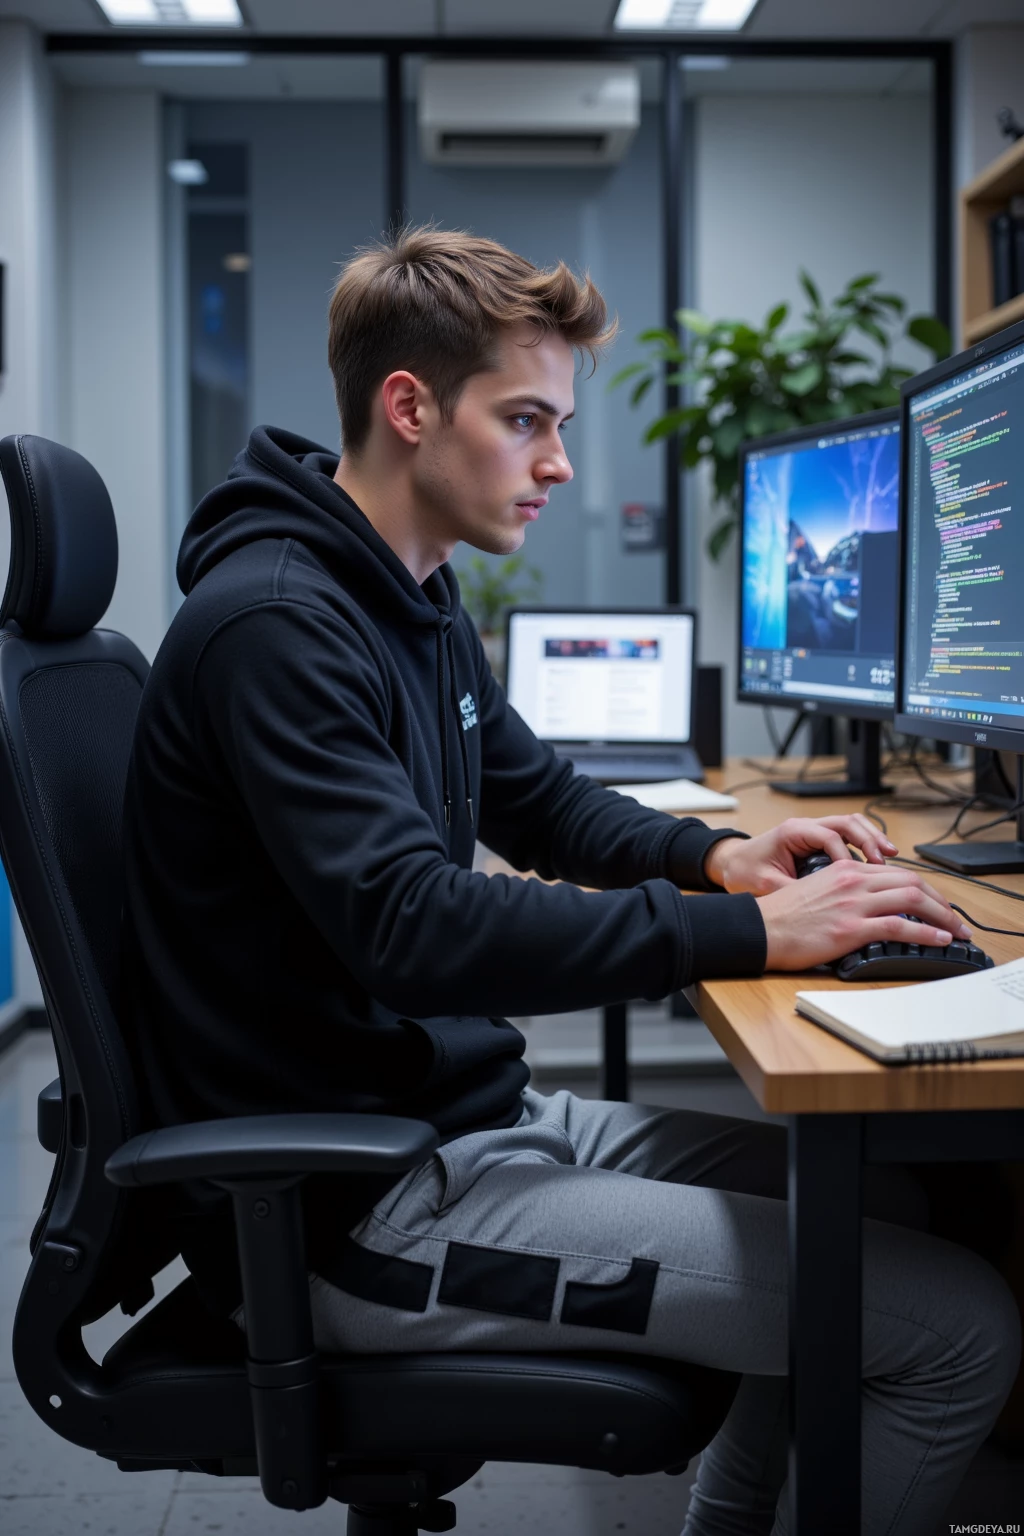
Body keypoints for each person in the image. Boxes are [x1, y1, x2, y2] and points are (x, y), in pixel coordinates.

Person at [122, 227, 1019, 1534]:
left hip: (464, 1125)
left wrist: (715, 854)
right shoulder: (278, 624)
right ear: (411, 406)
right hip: (362, 1207)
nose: (558, 463)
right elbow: (412, 927)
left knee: (879, 1190)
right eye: (527, 419)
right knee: (963, 1333)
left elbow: (535, 797)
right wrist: (750, 932)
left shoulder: (408, 591)